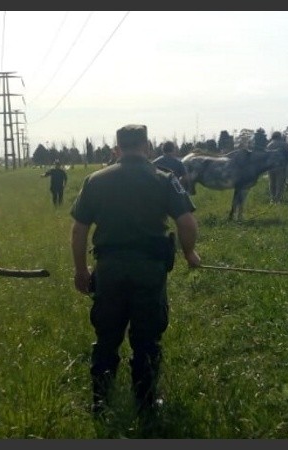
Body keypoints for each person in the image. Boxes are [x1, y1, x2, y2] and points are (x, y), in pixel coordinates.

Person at [70, 124, 201, 417]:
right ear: (148, 147)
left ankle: (100, 401)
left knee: (107, 336)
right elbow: (187, 223)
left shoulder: (95, 180)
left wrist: (81, 270)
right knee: (146, 339)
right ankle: (145, 403)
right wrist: (189, 252)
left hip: (109, 269)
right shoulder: (164, 180)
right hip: (149, 270)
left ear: (117, 148)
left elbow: (79, 230)